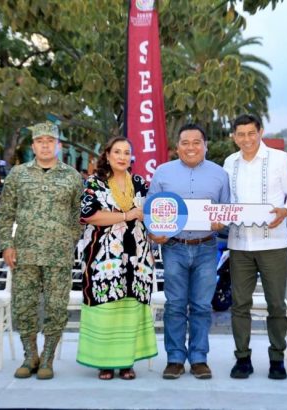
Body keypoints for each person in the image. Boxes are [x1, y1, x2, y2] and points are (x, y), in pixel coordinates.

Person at [0, 122, 83, 380]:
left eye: (50, 141)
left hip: (58, 255)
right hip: (25, 253)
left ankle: (47, 358)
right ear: (33, 146)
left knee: (56, 307)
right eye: (40, 141)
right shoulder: (18, 175)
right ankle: (29, 355)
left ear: (58, 145)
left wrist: (69, 240)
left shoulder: (72, 176)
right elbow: (5, 213)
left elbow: (79, 215)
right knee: (24, 306)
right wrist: (6, 245)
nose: (45, 146)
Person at [223, 114, 287, 380]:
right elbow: (225, 201)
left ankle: (277, 359)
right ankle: (242, 359)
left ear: (260, 132)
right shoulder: (229, 162)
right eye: (240, 134)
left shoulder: (279, 159)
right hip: (239, 244)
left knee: (276, 304)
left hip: (273, 243)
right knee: (239, 304)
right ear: (234, 136)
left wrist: (285, 210)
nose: (246, 139)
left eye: (251, 133)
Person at [148, 123, 230, 380]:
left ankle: (198, 359)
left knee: (202, 306)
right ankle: (174, 359)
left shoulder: (220, 174)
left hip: (207, 247)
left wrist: (221, 222)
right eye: (185, 142)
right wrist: (154, 233)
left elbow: (226, 210)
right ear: (177, 147)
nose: (191, 147)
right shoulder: (162, 173)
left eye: (197, 142)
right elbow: (151, 211)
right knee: (174, 305)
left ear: (205, 145)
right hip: (174, 247)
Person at [76, 136, 157, 380]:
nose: (122, 157)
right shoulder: (95, 183)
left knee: (130, 307)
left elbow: (151, 215)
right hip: (104, 258)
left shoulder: (140, 183)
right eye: (117, 152)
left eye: (126, 152)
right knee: (106, 305)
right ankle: (105, 363)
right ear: (108, 155)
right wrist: (126, 215)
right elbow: (89, 215)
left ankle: (126, 362)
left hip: (137, 257)